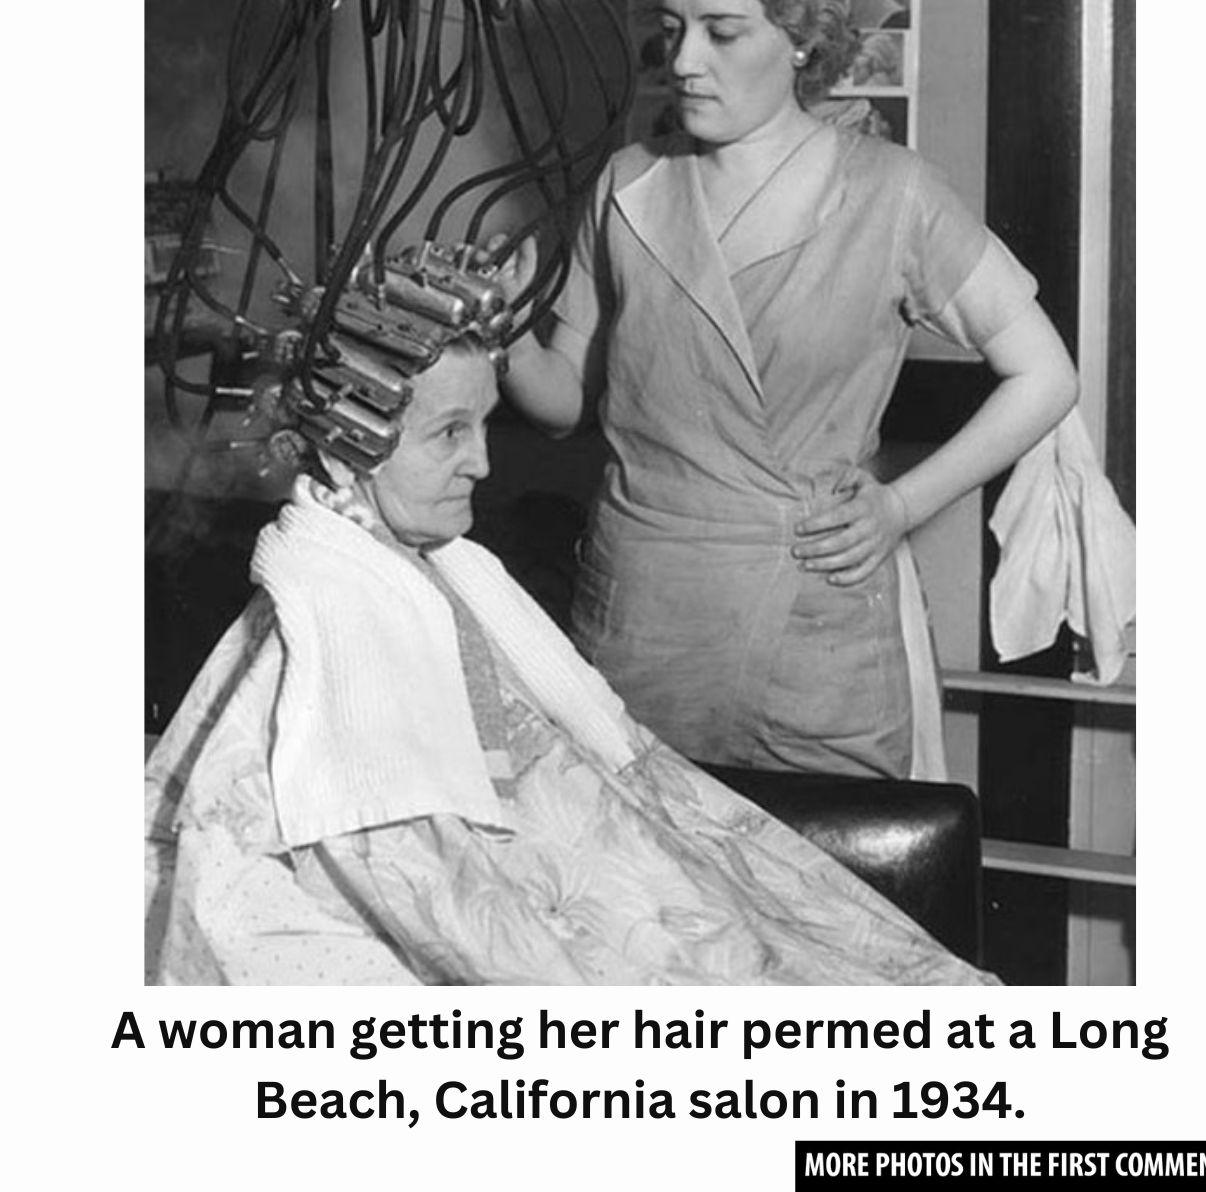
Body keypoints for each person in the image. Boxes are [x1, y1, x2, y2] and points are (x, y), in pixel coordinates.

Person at [145, 335, 993, 985]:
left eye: (483, 425)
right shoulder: (326, 632)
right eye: (449, 433)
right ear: (346, 449)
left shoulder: (453, 577)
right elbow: (296, 901)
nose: (483, 461)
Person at [497, 0, 1078, 780]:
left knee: (826, 865)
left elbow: (1046, 375)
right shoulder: (627, 184)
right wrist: (501, 336)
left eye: (722, 32)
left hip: (816, 631)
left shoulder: (892, 194)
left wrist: (901, 506)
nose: (684, 60)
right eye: (671, 28)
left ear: (801, 35)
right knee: (633, 858)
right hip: (640, 619)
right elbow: (565, 401)